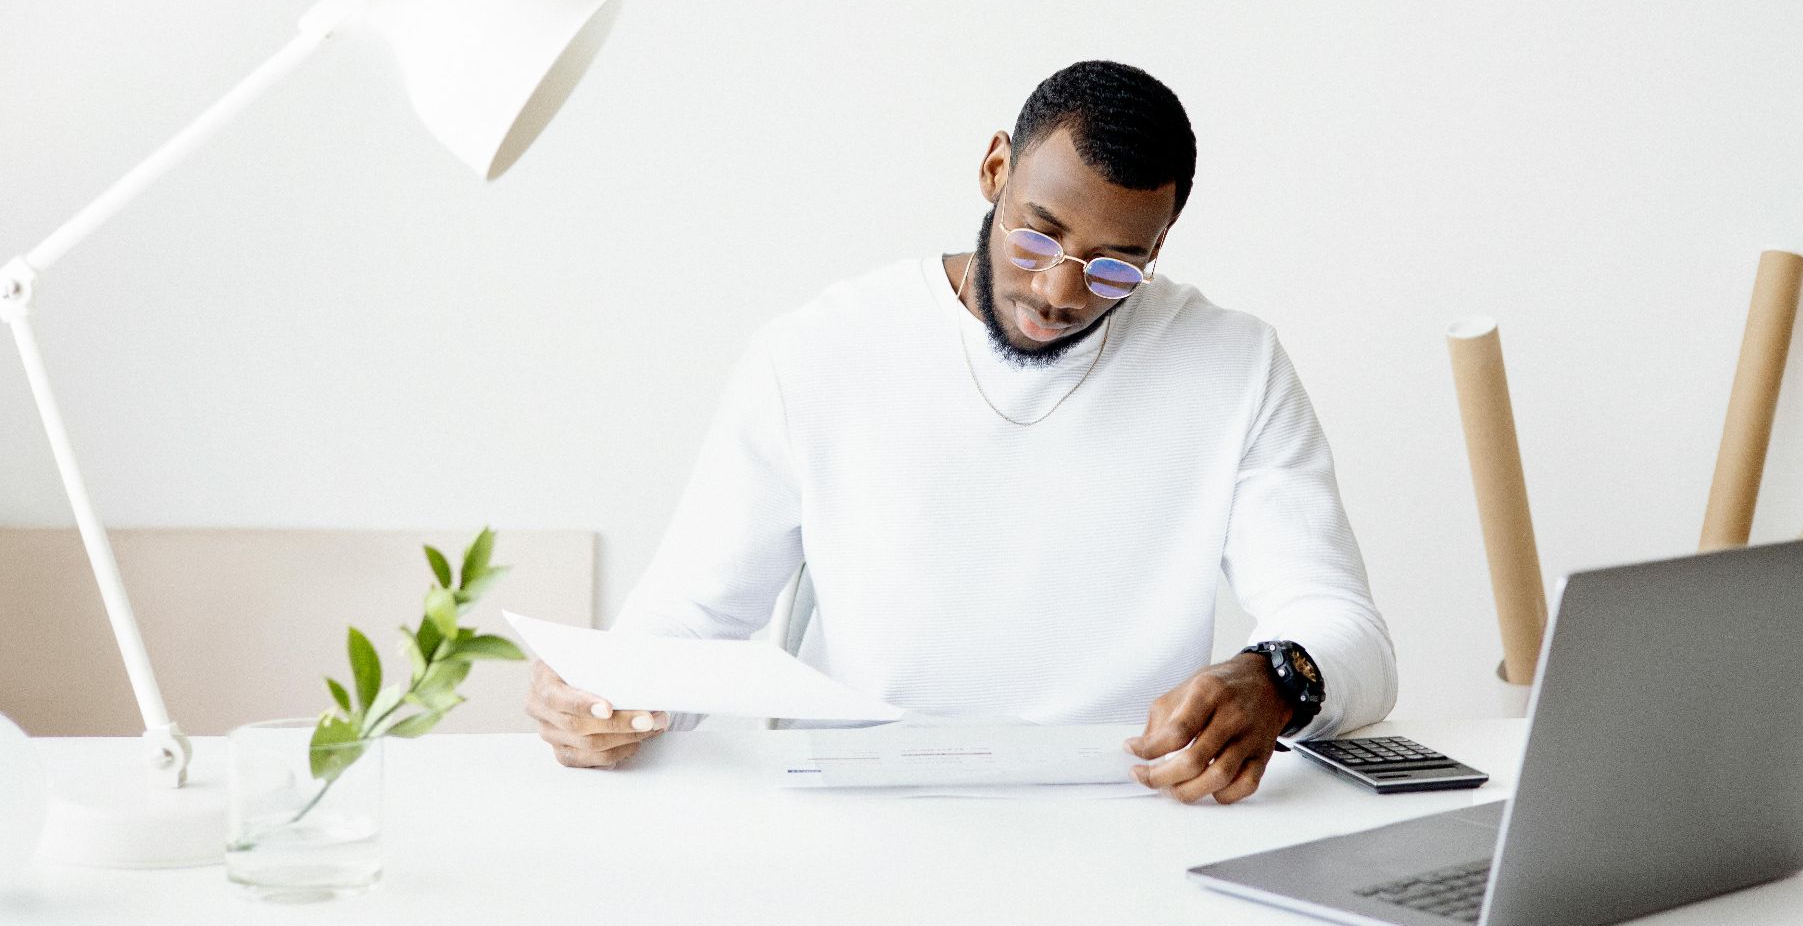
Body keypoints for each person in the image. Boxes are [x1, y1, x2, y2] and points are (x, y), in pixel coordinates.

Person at [524, 60, 1397, 804]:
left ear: (1159, 245)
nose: (1059, 291)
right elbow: (693, 616)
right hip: (860, 807)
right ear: (993, 170)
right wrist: (606, 699)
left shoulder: (1232, 366)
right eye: (1038, 235)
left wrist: (1278, 679)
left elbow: (1347, 630)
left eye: (1114, 266)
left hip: (1123, 812)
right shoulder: (818, 352)